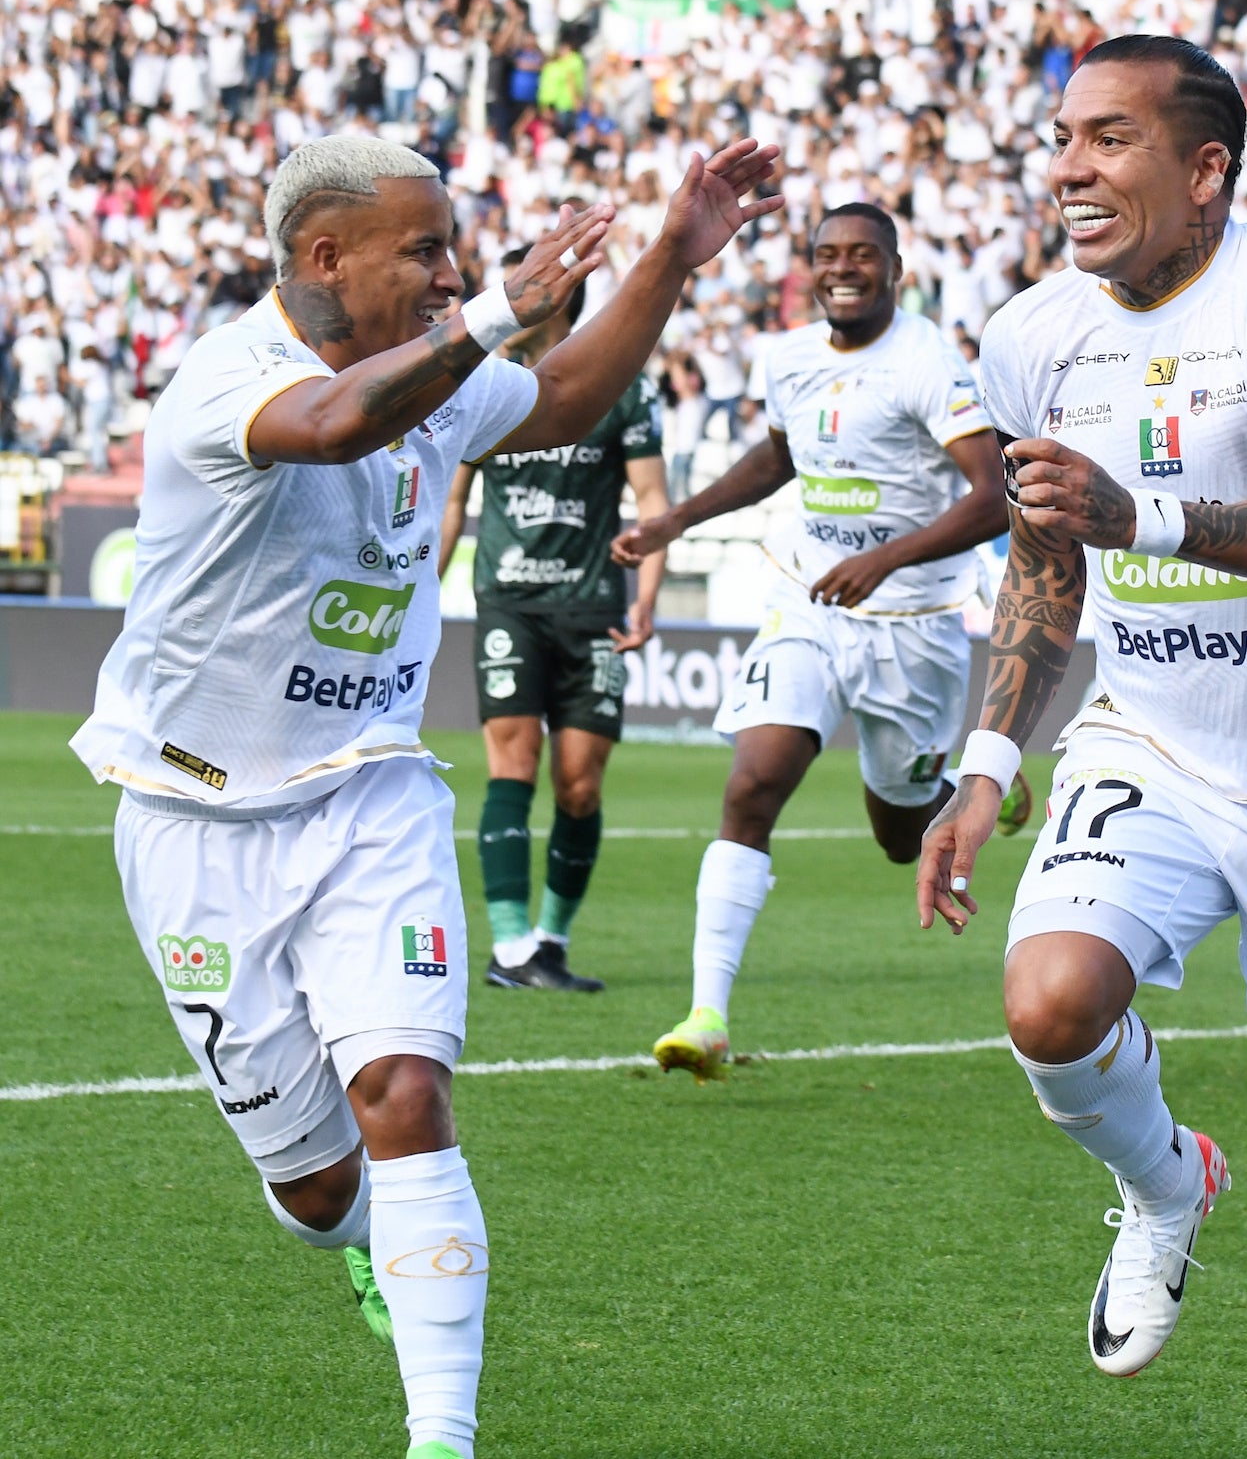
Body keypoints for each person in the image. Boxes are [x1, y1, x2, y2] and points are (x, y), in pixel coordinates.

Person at [67, 133, 781, 1459]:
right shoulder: (234, 379)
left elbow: (562, 394)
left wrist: (672, 260)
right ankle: (356, 1236)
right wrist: (501, 306)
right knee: (321, 1180)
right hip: (191, 822)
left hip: (369, 794)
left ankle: (438, 1437)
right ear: (324, 255)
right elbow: (341, 424)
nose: (451, 272)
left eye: (456, 250)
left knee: (405, 1089)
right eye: (426, 250)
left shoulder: (436, 372)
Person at [915, 35, 1247, 1459]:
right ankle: (1163, 1183)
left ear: (1205, 170)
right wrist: (989, 764)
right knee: (1051, 1004)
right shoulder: (1028, 336)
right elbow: (1041, 567)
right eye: (1063, 135)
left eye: (1110, 139)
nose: (1070, 166)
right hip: (1148, 741)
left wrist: (1134, 509)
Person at [613, 203, 1021, 1081]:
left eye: (863, 255)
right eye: (828, 254)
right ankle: (707, 1013)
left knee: (901, 835)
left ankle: (971, 788)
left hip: (911, 623)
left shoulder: (924, 362)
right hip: (807, 602)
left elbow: (993, 497)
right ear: (809, 268)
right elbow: (776, 459)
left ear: (896, 268)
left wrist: (887, 559)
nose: (845, 268)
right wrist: (673, 519)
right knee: (753, 783)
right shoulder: (788, 357)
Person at [434, 248, 669, 993]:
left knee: (580, 786)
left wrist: (647, 597)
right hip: (508, 600)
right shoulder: (476, 379)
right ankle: (509, 950)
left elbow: (653, 502)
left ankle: (551, 940)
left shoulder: (622, 386)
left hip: (592, 602)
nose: (504, 301)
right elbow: (450, 502)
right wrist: (416, 589)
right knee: (511, 763)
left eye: (522, 288)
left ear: (560, 297)